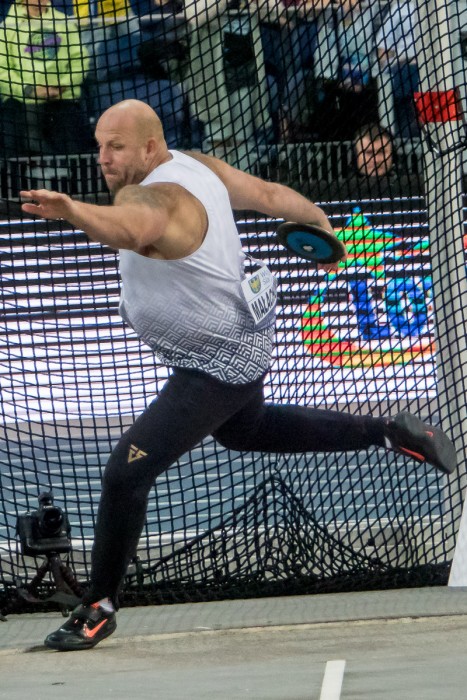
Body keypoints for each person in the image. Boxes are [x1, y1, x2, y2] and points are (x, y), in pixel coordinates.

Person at [20, 99, 456, 651]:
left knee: (125, 475)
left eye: (116, 147)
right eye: (100, 145)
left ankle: (98, 607)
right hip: (242, 341)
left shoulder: (151, 197)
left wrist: (72, 210)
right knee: (244, 431)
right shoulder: (198, 165)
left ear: (150, 147)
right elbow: (270, 196)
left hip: (213, 364)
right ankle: (390, 432)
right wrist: (320, 223)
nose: (103, 157)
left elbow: (130, 229)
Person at [0, 0, 93, 158]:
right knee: (15, 144)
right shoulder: (7, 27)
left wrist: (62, 85)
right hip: (21, 102)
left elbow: (80, 61)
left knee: (75, 149)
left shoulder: (64, 22)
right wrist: (29, 90)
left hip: (63, 98)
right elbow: (2, 71)